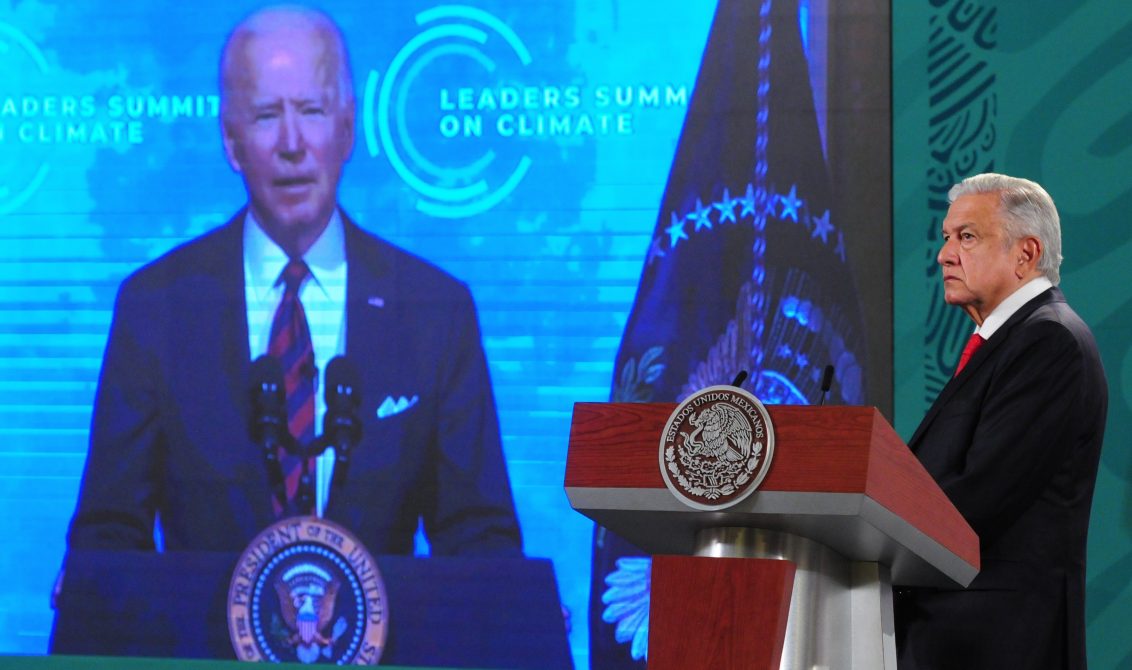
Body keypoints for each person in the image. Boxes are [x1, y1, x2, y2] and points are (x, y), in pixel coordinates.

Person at [64, 6, 521, 557]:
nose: (291, 142)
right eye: (264, 116)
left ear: (347, 129)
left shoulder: (433, 310)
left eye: (311, 110)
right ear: (231, 143)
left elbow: (481, 540)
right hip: (197, 643)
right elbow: (107, 536)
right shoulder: (156, 308)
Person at [894, 173, 1107, 669]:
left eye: (967, 237)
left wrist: (868, 542)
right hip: (959, 635)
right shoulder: (1011, 340)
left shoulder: (1049, 342)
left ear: (1025, 254)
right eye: (947, 238)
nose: (945, 254)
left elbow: (978, 497)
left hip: (1001, 642)